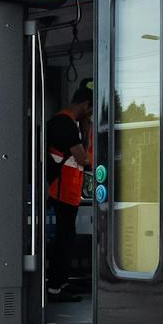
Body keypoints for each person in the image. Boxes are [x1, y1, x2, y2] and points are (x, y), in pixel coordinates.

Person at [46, 80, 93, 301]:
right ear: (84, 105)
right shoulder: (64, 123)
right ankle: (55, 287)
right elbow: (83, 157)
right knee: (63, 239)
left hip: (68, 189)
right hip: (61, 189)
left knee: (67, 237)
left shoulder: (68, 122)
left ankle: (61, 283)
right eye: (90, 110)